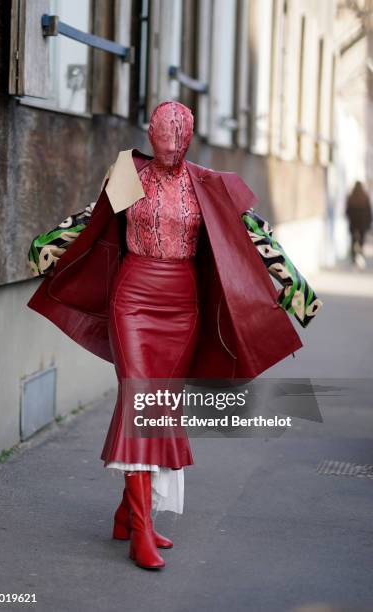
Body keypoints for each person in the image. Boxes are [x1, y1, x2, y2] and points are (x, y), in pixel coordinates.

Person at [27, 101, 323, 571]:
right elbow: (92, 219)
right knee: (141, 401)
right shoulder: (129, 172)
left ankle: (128, 513)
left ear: (188, 140)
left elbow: (255, 237)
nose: (168, 152)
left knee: (156, 406)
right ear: (149, 134)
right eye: (161, 143)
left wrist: (295, 291)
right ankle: (140, 530)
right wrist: (46, 249)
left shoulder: (207, 183)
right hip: (133, 300)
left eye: (177, 144)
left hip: (182, 306)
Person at [345, 180, 372, 269]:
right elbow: (368, 212)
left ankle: (354, 258)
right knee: (361, 240)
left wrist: (350, 219)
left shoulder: (351, 197)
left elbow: (347, 211)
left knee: (353, 240)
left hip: (353, 223)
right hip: (362, 224)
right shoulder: (365, 197)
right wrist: (368, 223)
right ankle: (359, 254)